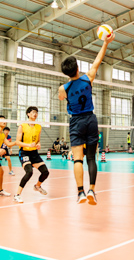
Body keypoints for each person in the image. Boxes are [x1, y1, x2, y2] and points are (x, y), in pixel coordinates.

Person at [58, 31, 115, 205]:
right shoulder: (88, 78)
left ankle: (80, 192)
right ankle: (92, 190)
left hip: (76, 121)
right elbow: (98, 60)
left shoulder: (63, 88)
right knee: (91, 157)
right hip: (91, 119)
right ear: (77, 68)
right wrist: (105, 42)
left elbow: (61, 98)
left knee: (77, 159)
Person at [13, 106, 49, 203]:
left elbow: (38, 140)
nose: (35, 114)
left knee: (45, 172)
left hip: (34, 153)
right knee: (29, 172)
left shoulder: (38, 126)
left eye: (36, 112)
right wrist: (28, 145)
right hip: (24, 152)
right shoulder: (22, 126)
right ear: (28, 114)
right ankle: (17, 195)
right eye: (33, 112)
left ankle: (37, 186)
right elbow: (17, 142)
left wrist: (38, 144)